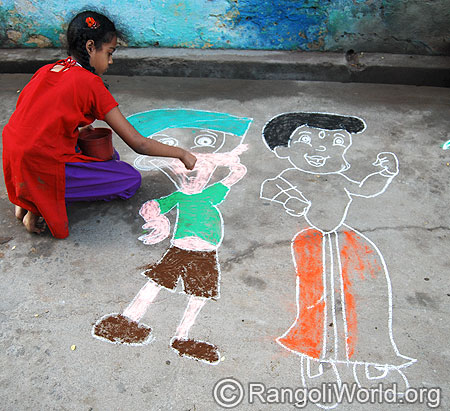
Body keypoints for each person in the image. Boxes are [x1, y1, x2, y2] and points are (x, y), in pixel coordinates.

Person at [261, 112, 415, 399]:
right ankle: (318, 356)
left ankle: (371, 353)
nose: (322, 148)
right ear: (283, 149)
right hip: (312, 244)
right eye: (306, 140)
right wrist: (289, 199)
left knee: (366, 294)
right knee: (317, 298)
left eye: (335, 142)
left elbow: (364, 190)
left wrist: (384, 174)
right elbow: (270, 189)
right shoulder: (290, 176)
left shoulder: (341, 178)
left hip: (351, 244)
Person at [2, 11, 196, 239]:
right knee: (129, 179)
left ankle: (24, 198)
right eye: (109, 53)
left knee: (96, 150)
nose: (110, 61)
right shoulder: (91, 84)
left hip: (14, 158)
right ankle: (35, 203)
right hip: (40, 164)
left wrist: (77, 129)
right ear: (91, 47)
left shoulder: (48, 70)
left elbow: (31, 120)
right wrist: (181, 153)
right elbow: (138, 143)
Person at [92, 109, 252, 364]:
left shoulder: (210, 194)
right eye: (181, 174)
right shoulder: (178, 197)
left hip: (205, 250)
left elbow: (235, 176)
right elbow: (153, 205)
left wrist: (232, 160)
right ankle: (128, 321)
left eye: (199, 173)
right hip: (180, 248)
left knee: (198, 293)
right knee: (157, 282)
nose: (189, 177)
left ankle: (184, 336)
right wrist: (158, 221)